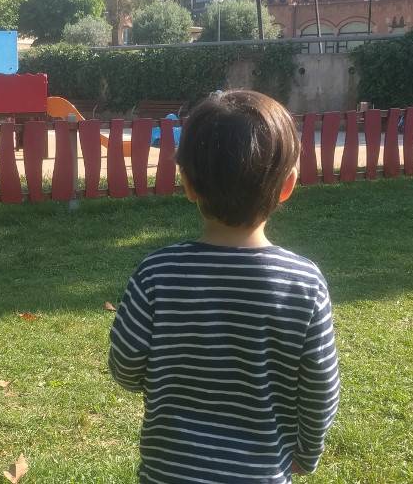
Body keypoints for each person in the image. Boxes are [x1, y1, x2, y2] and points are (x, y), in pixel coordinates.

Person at [109, 89, 339, 484]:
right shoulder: (305, 284)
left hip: (169, 472)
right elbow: (320, 389)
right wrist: (307, 452)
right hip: (261, 473)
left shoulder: (157, 273)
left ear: (188, 185)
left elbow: (125, 367)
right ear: (287, 187)